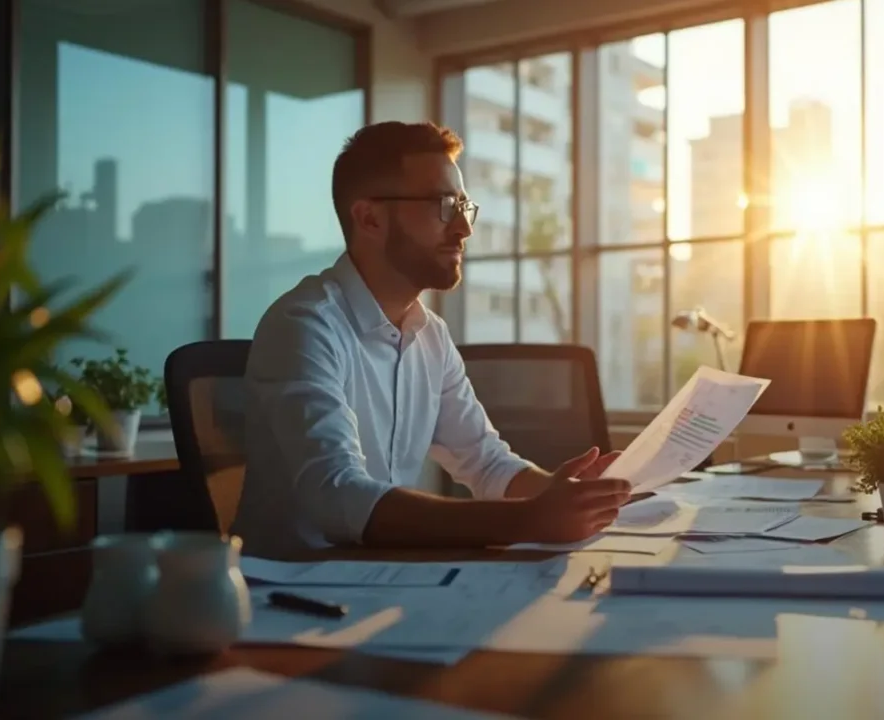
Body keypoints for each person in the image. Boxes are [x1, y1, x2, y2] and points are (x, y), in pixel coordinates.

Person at [232, 121, 631, 558]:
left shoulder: (431, 335)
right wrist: (530, 518)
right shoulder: (304, 326)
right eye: (443, 205)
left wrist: (562, 493)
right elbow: (338, 494)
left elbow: (487, 463)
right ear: (370, 218)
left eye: (463, 206)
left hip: (386, 575)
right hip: (299, 585)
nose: (464, 228)